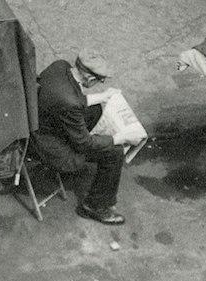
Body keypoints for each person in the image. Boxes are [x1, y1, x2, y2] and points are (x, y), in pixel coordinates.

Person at [33, 54, 134, 225]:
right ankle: (94, 206)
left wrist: (103, 96)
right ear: (88, 76)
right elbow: (83, 142)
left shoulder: (60, 66)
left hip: (42, 121)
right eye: (100, 80)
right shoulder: (69, 102)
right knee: (114, 152)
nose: (101, 83)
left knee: (94, 109)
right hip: (48, 145)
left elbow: (69, 99)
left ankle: (96, 150)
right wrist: (117, 138)